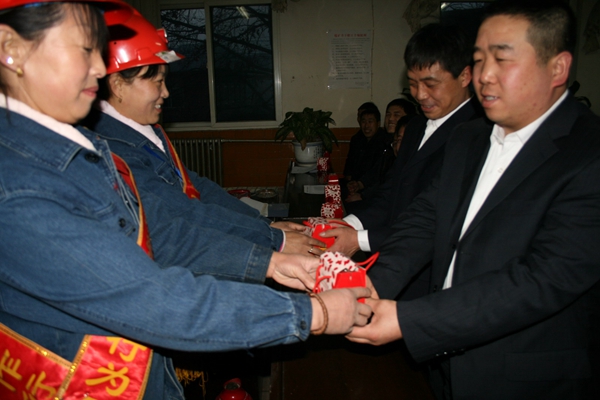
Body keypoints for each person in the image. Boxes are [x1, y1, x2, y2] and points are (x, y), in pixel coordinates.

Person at [0, 2, 371, 399]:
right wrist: (314, 313)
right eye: (84, 48)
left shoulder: (74, 145)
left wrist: (273, 261)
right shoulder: (20, 185)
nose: (98, 68)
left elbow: (163, 233)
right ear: (11, 48)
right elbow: (151, 301)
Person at [348, 1, 600, 398]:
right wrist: (372, 286)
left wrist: (411, 320)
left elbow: (543, 277)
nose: (484, 76)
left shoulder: (588, 152)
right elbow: (426, 218)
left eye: (502, 60)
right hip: (444, 361)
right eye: (479, 60)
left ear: (557, 68)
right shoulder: (469, 137)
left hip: (524, 375)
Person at [82, 11, 324, 277]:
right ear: (118, 85)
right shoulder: (114, 151)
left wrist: (264, 225)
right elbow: (184, 214)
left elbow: (196, 188)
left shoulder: (146, 131)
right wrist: (272, 240)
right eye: (158, 82)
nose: (166, 92)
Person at [329, 24, 481, 301]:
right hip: (395, 262)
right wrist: (349, 224)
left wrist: (360, 240)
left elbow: (436, 221)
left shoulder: (477, 134)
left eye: (430, 84)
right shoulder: (415, 127)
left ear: (464, 76)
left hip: (434, 273)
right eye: (412, 83)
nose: (420, 94)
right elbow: (392, 191)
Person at [345, 114, 416, 205]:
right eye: (396, 142)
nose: (391, 119)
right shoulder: (387, 146)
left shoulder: (382, 141)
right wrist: (359, 184)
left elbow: (385, 188)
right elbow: (377, 172)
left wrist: (363, 196)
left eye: (396, 115)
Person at [343, 106, 391, 183]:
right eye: (363, 122)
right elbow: (350, 162)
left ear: (378, 124)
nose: (366, 126)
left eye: (370, 121)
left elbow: (377, 171)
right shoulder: (357, 139)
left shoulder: (384, 142)